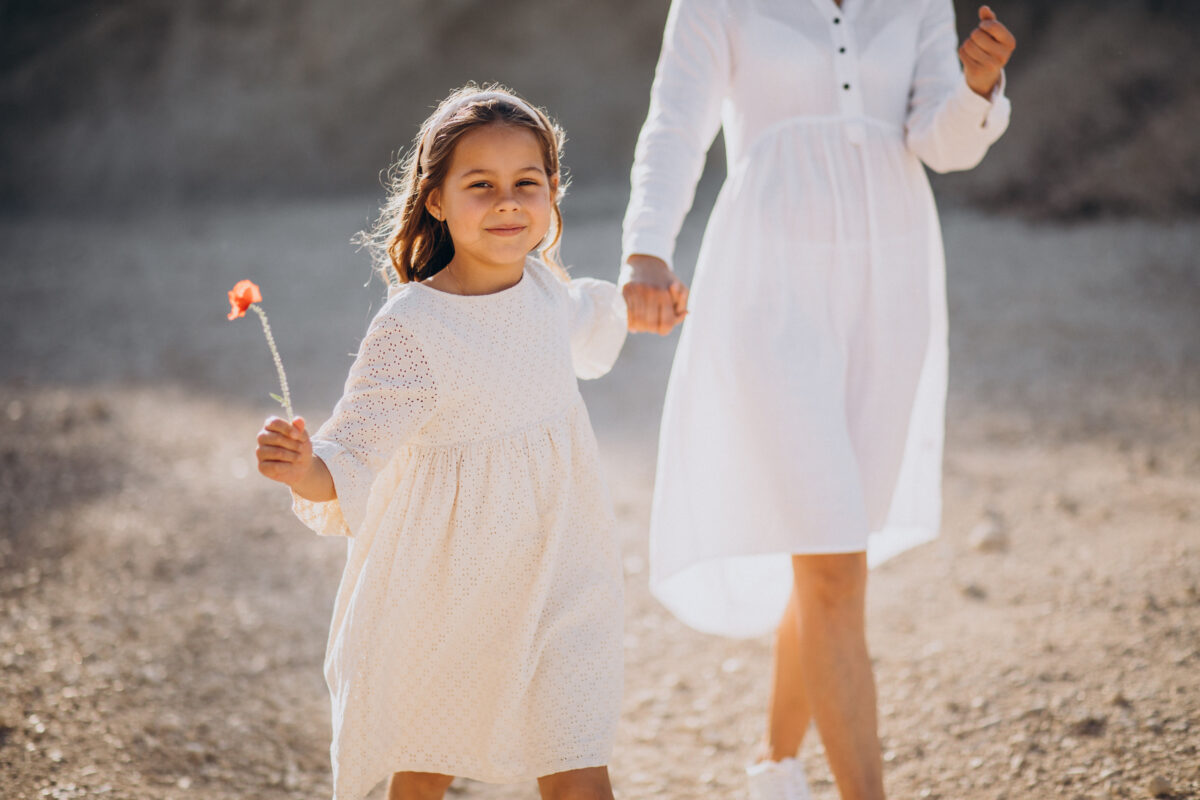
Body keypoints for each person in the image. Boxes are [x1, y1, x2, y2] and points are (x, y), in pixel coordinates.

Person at [620, 1, 1015, 798]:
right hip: (771, 289)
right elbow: (675, 123)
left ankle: (775, 773)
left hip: (890, 284)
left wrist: (977, 86)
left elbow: (941, 144)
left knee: (832, 547)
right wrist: (646, 250)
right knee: (834, 559)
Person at [254, 86, 628, 800]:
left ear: (552, 194)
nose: (508, 202)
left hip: (566, 572)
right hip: (454, 589)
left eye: (528, 183)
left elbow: (591, 317)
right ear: (435, 200)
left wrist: (645, 301)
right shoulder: (415, 328)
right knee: (424, 763)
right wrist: (305, 469)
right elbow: (352, 452)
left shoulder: (546, 292)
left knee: (577, 754)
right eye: (480, 186)